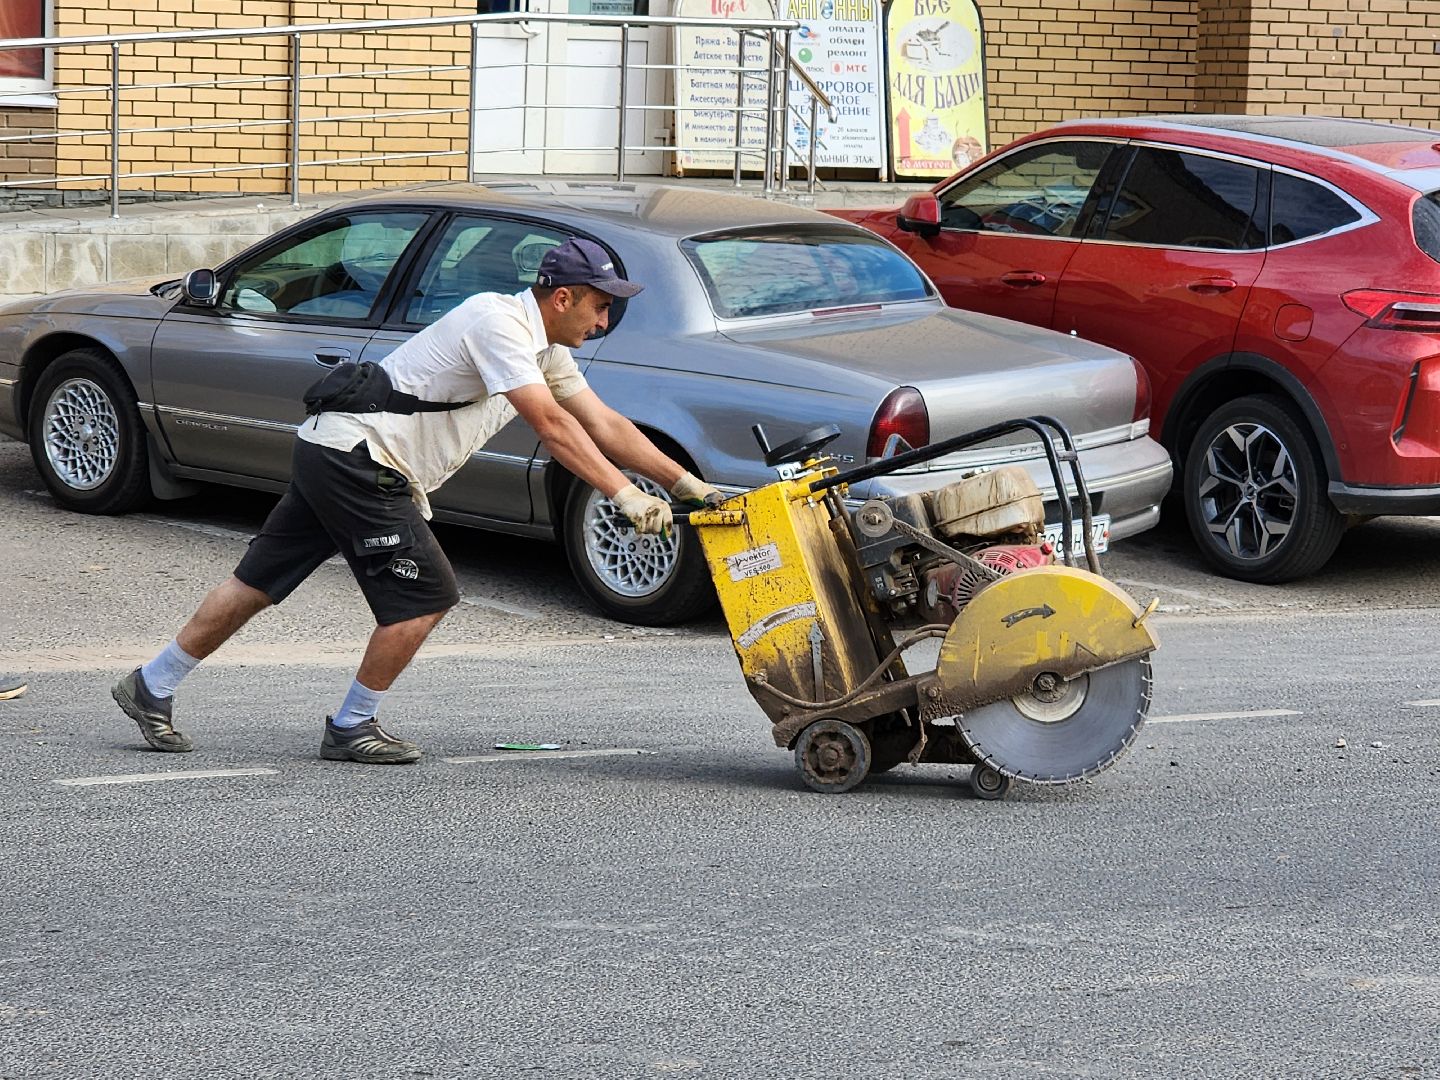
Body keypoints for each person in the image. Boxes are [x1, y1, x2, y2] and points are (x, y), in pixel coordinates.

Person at [111, 237, 720, 764]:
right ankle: (351, 726)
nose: (604, 323)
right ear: (563, 298)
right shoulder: (498, 323)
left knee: (258, 581)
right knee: (425, 596)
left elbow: (603, 422)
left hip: (333, 449)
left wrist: (683, 484)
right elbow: (552, 426)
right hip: (361, 461)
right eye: (601, 306)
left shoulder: (546, 351)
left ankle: (152, 685)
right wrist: (622, 494)